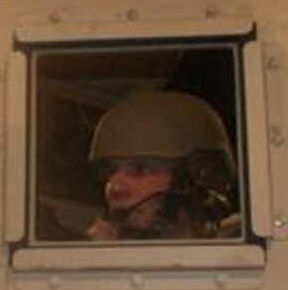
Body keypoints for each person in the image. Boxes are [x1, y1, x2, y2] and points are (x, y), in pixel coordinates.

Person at [85, 90, 239, 241]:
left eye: (140, 169)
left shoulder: (241, 251)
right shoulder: (101, 250)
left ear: (195, 177)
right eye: (110, 171)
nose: (115, 188)